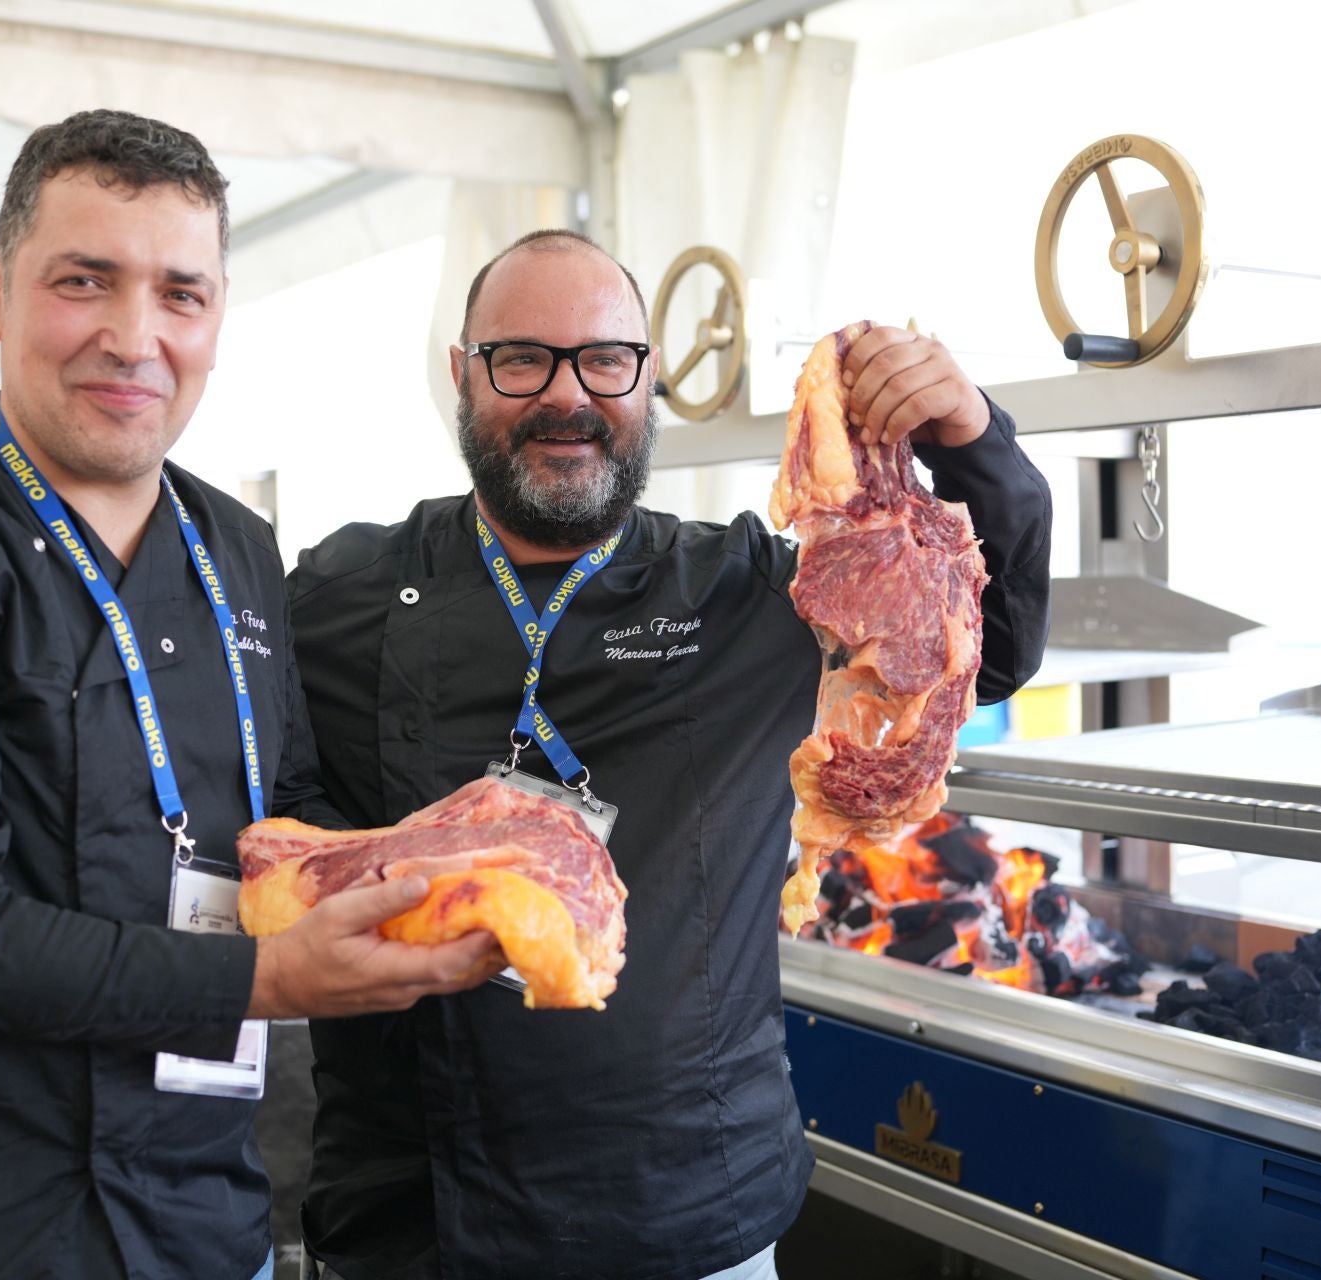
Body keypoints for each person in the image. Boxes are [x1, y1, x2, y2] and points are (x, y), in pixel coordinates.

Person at [0, 109, 497, 1280]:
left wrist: (454, 871)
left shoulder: (237, 546)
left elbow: (283, 818)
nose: (134, 336)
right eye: (85, 280)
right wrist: (265, 977)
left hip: (204, 1216)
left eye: (180, 294)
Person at [288, 230, 1052, 1279]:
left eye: (606, 359)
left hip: (691, 1215)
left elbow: (986, 650)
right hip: (419, 1227)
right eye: (522, 358)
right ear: (464, 376)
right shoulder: (342, 594)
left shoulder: (746, 591)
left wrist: (973, 438)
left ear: (648, 379)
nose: (569, 396)